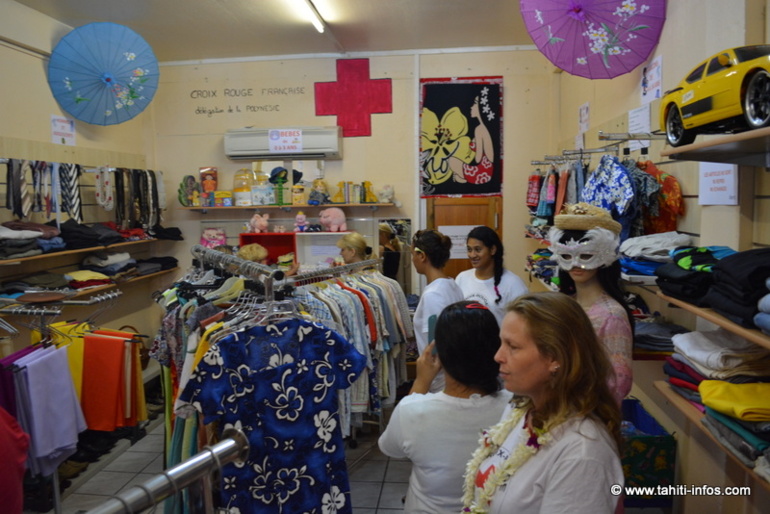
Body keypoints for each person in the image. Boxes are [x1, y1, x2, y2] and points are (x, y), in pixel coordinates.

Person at [462, 291, 624, 513]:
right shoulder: (520, 408)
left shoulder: (583, 454)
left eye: (513, 346)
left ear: (555, 358)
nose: (498, 356)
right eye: (502, 343)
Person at [378, 301, 512, 513]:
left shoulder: (412, 410)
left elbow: (391, 448)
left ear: (439, 353)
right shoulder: (517, 408)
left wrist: (421, 382)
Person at [548, 202, 634, 404]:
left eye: (586, 256)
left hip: (589, 412)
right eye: (567, 256)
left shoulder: (612, 316)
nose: (576, 264)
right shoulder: (565, 305)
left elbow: (619, 382)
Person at [410, 229, 465, 392]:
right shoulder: (451, 285)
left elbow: (434, 347)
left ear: (422, 256)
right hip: (450, 375)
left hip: (440, 381)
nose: (412, 259)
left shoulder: (433, 295)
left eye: (413, 254)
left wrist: (425, 383)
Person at [455, 225, 529, 325]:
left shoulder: (513, 284)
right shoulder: (462, 278)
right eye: (469, 249)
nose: (472, 255)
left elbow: (523, 323)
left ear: (493, 250)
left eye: (478, 249)